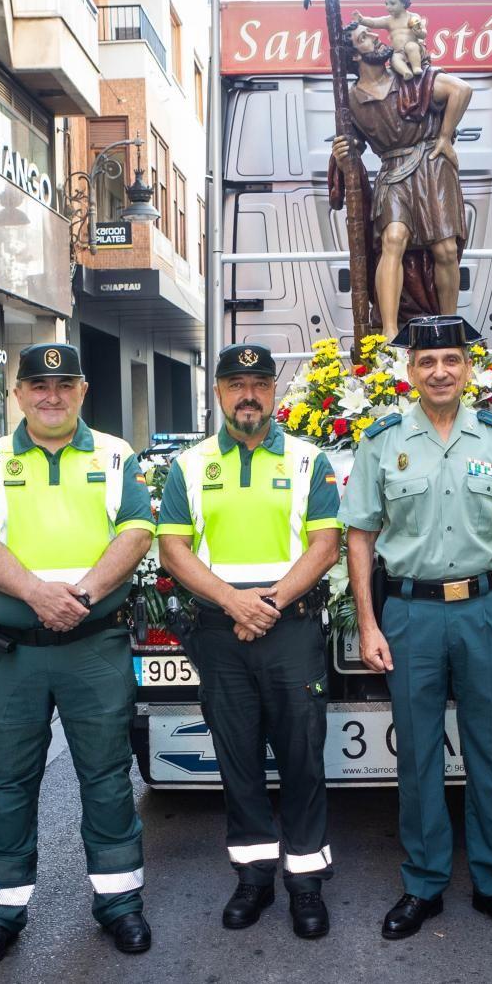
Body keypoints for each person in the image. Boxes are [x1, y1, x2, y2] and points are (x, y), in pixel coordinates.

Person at [340, 315, 492, 940]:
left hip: (484, 608)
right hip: (410, 613)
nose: (440, 372)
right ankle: (424, 883)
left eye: (451, 360)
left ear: (469, 370)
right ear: (409, 372)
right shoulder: (381, 441)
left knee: (487, 749)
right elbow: (360, 537)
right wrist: (368, 623)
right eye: (427, 362)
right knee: (419, 755)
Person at [0, 343, 154, 969]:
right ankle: (0, 912)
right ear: (18, 395)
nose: (51, 395)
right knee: (8, 781)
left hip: (94, 646)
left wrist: (83, 595)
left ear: (83, 391)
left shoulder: (116, 454)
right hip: (12, 653)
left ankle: (120, 904)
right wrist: (37, 593)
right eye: (38, 385)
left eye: (64, 384)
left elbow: (138, 530)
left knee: (106, 776)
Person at [155, 344, 343, 939]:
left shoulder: (312, 461)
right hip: (220, 631)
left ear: (275, 392)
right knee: (236, 760)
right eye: (235, 383)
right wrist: (235, 602)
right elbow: (174, 548)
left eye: (260, 383)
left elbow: (325, 545)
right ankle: (254, 878)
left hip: (289, 628)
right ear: (217, 393)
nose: (248, 395)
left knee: (302, 759)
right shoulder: (188, 466)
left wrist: (268, 603)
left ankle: (306, 884)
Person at [330, 25, 473, 339]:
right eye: (365, 37)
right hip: (392, 169)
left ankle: (448, 328)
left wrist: (446, 137)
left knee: (446, 250)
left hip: (432, 164)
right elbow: (350, 153)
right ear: (354, 54)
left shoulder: (412, 79)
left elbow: (461, 90)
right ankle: (391, 333)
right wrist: (343, 157)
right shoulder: (350, 100)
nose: (376, 38)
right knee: (392, 240)